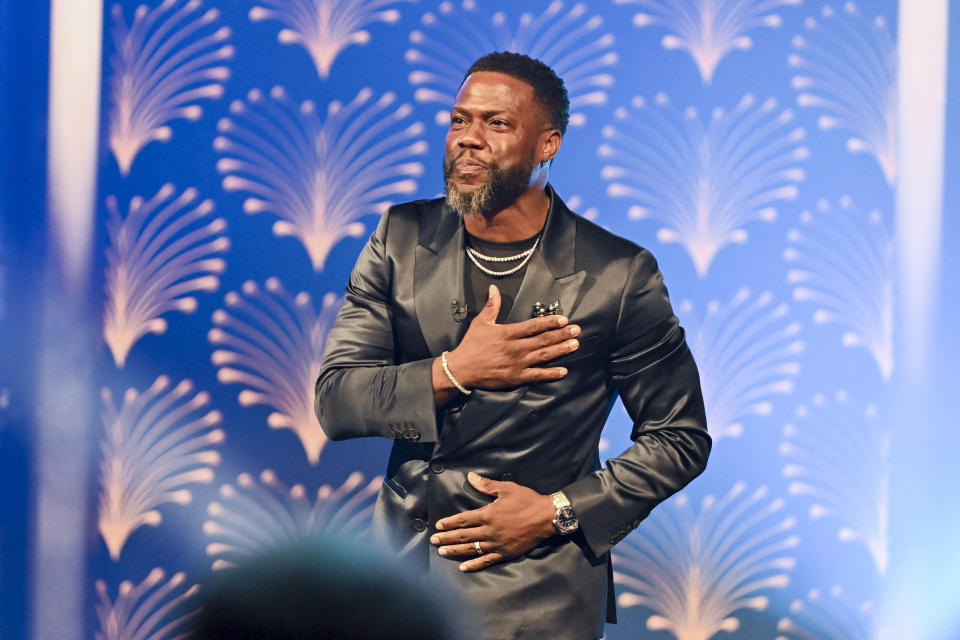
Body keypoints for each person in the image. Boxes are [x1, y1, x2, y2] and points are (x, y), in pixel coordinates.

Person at [315, 51, 711, 640]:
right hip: (400, 586)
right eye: (459, 121)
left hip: (536, 591)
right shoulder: (399, 238)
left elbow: (679, 438)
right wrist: (454, 370)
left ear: (546, 145)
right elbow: (337, 400)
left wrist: (558, 511)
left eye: (496, 124)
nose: (468, 140)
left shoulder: (616, 274)